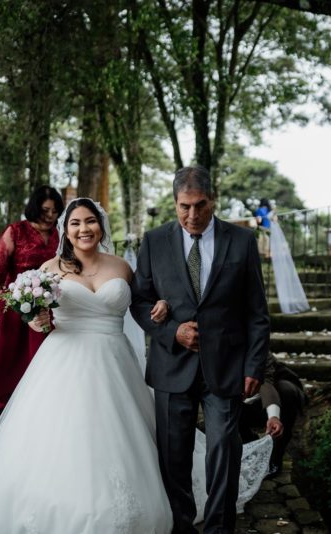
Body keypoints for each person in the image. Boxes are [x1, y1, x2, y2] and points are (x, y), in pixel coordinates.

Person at [0, 198, 174, 532]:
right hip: (64, 359)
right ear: (65, 231)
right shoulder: (48, 270)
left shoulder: (123, 268)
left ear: (101, 225)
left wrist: (162, 306)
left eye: (90, 221)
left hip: (114, 360)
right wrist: (37, 321)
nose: (84, 229)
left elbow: (143, 303)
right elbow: (33, 319)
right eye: (75, 223)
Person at [130, 166, 271, 534]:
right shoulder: (154, 241)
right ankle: (181, 526)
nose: (192, 215)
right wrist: (173, 331)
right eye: (183, 206)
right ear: (174, 203)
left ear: (213, 200)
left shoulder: (241, 242)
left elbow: (257, 312)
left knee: (224, 450)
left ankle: (219, 528)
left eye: (200, 205)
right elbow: (139, 303)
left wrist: (255, 365)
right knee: (173, 455)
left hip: (226, 367)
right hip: (170, 366)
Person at [0, 185, 64, 412]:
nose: (50, 216)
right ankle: (6, 402)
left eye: (55, 211)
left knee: (43, 353)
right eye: (46, 210)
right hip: (16, 301)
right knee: (12, 354)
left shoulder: (60, 233)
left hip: (48, 302)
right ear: (35, 208)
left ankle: (40, 399)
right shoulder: (15, 231)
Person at [240, 353, 306, 478]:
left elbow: (266, 382)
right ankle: (249, 442)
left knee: (286, 391)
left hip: (277, 392)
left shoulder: (258, 351)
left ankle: (275, 456)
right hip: (247, 399)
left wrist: (274, 417)